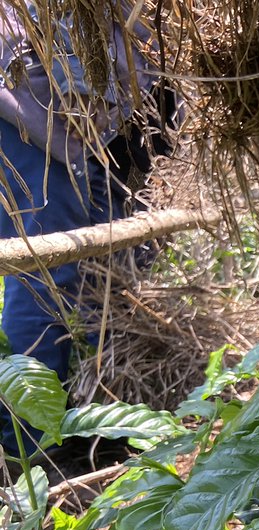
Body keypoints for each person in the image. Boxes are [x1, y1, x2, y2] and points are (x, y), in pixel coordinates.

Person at [0, 4, 169, 454]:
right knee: (45, 271)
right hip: (34, 105)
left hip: (107, 116)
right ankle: (32, 449)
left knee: (116, 265)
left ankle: (108, 425)